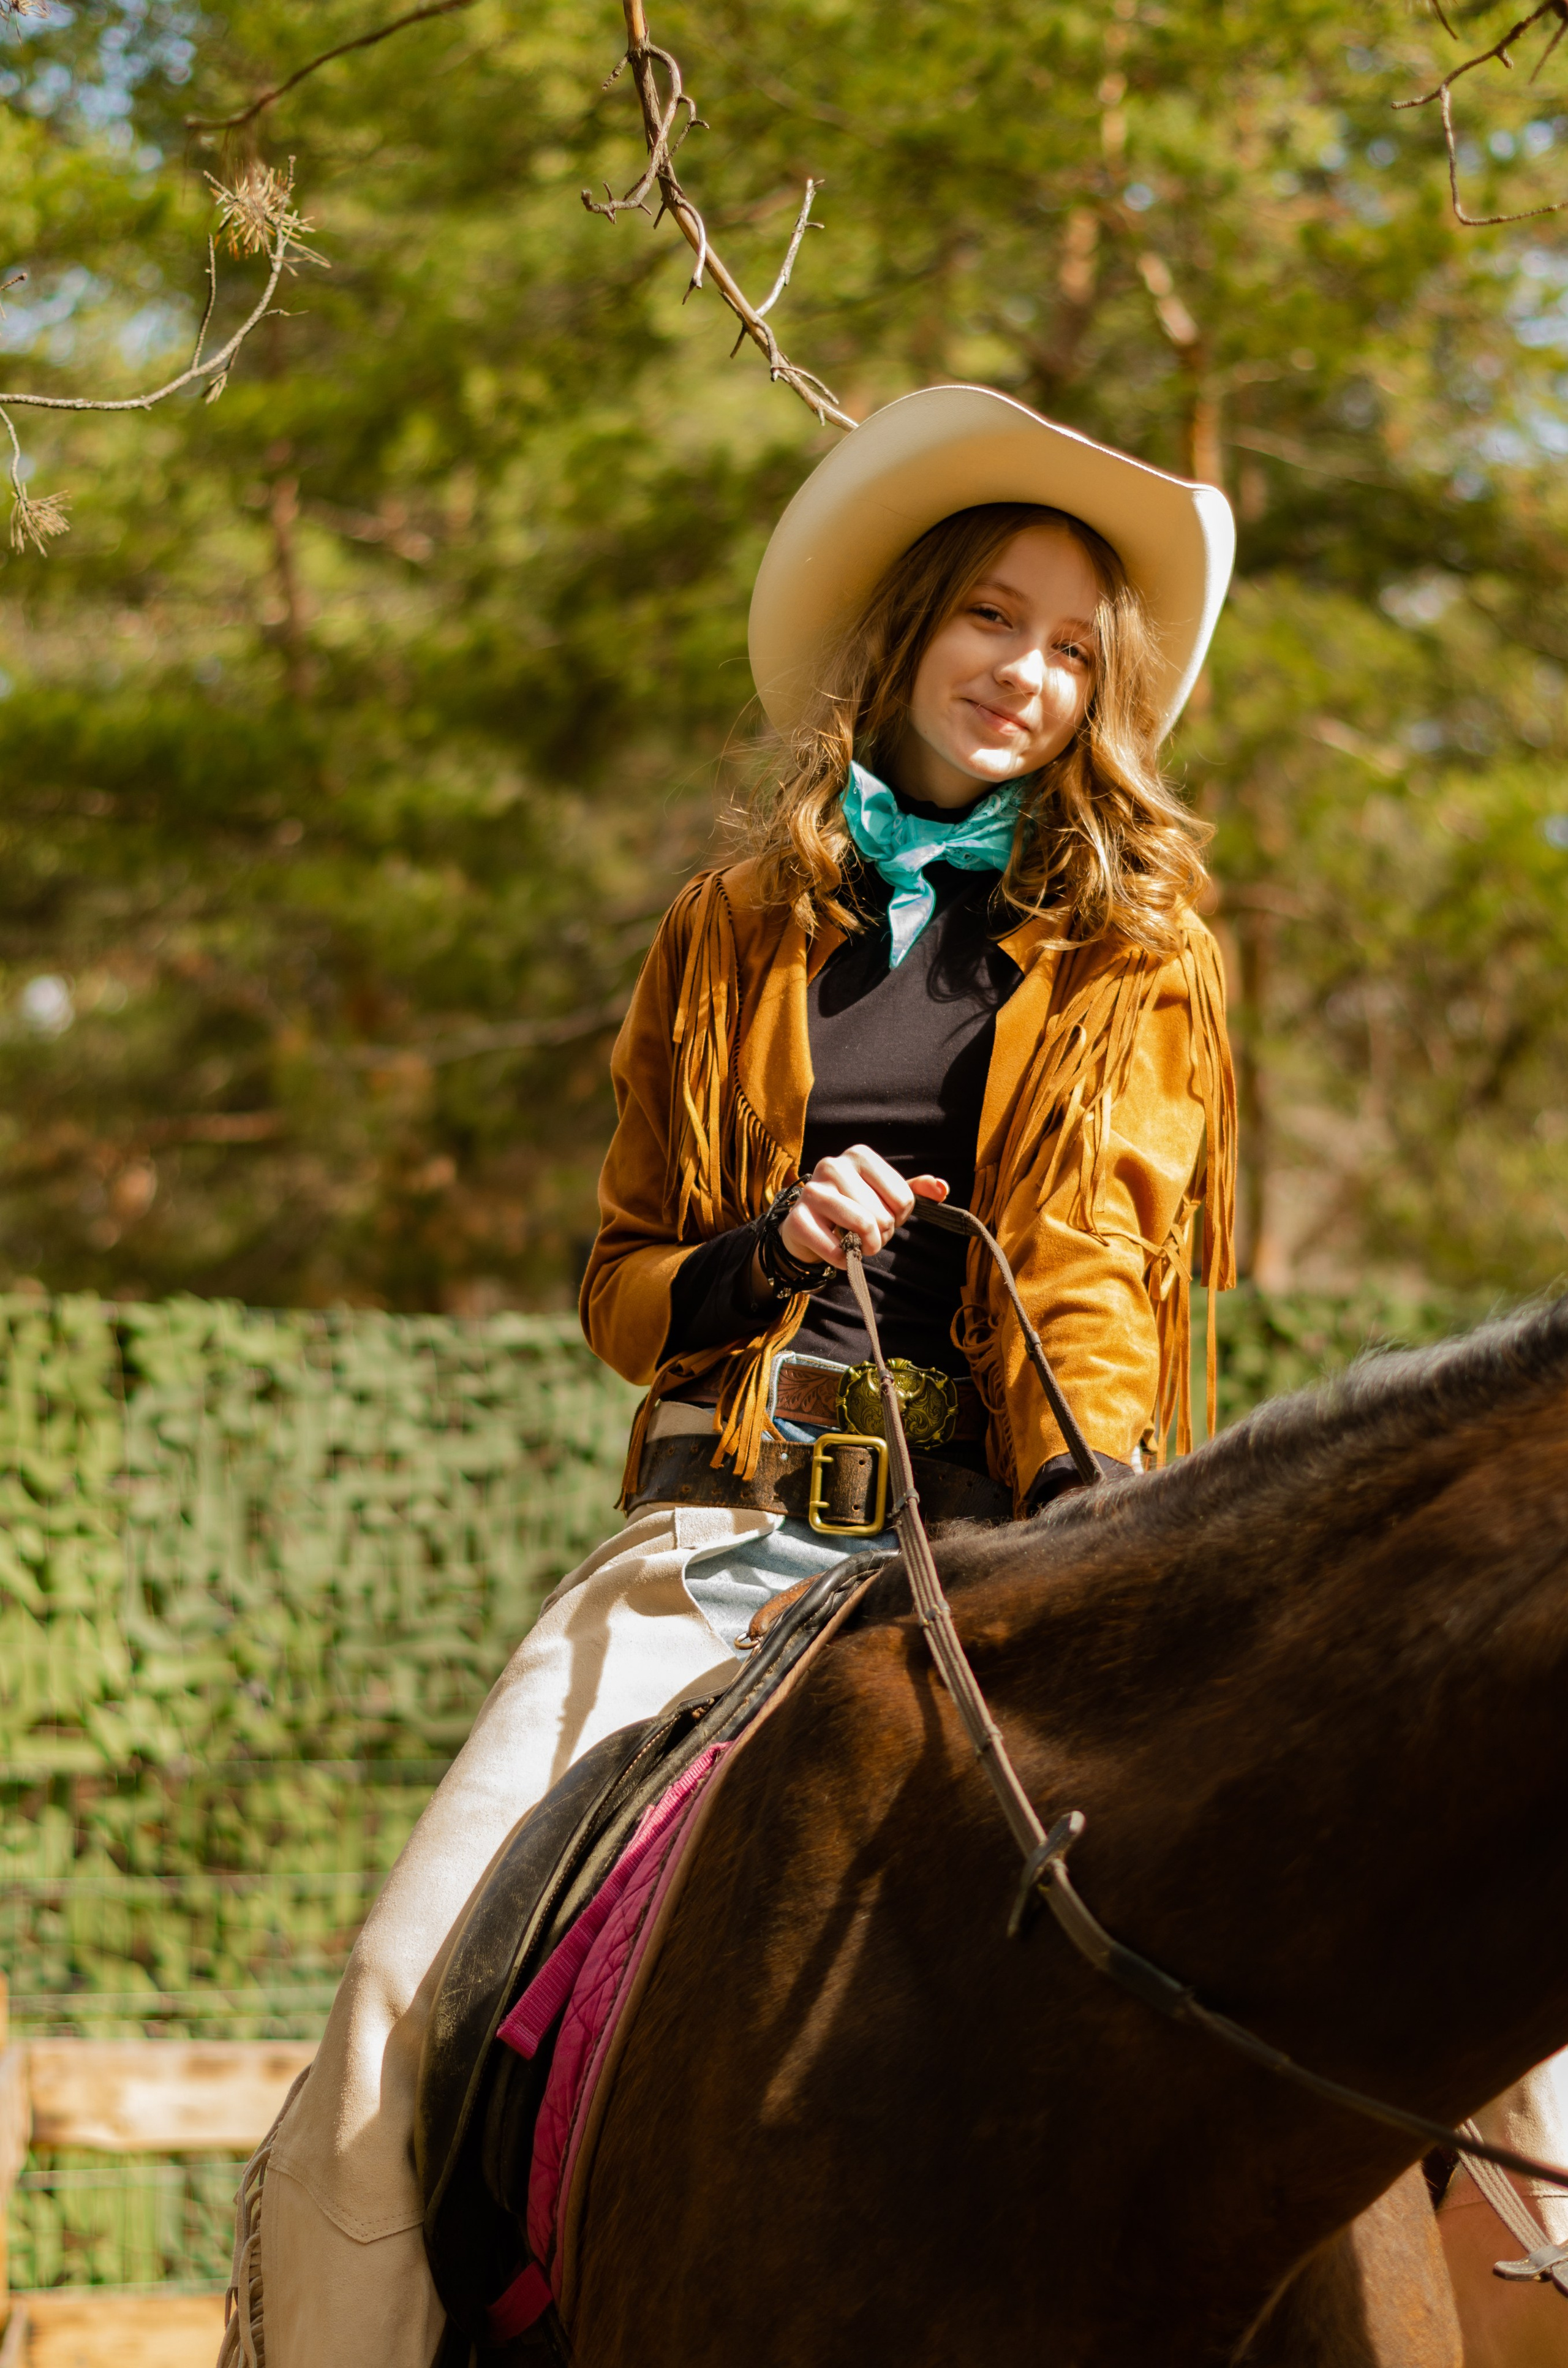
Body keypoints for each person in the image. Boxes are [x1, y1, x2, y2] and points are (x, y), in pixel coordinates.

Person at [230, 384, 1241, 2368]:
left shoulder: (1140, 949)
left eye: (1070, 648)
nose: (1027, 674)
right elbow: (620, 1288)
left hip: (1019, 1544)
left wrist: (1094, 1554)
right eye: (992, 620)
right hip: (716, 1549)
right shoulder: (725, 932)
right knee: (382, 2007)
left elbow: (1105, 1271)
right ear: (906, 629)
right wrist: (770, 1243)